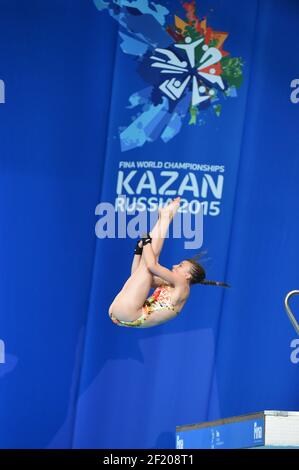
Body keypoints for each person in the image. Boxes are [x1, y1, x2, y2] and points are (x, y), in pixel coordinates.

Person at [109, 197, 229, 328]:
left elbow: (151, 265)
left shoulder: (182, 285)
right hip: (126, 315)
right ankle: (165, 217)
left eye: (180, 266)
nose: (174, 266)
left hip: (130, 314)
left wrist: (146, 241)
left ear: (188, 275)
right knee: (147, 266)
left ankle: (165, 217)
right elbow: (137, 276)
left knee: (152, 259)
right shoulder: (168, 284)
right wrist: (139, 251)